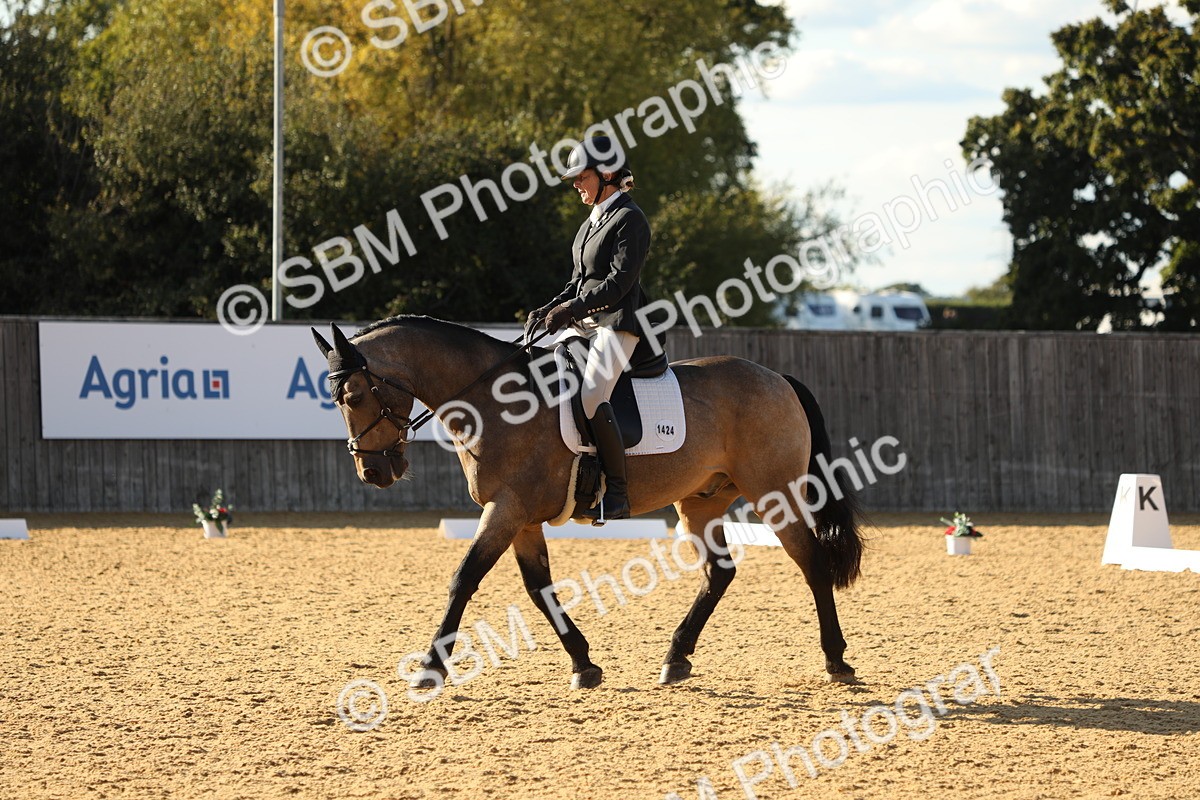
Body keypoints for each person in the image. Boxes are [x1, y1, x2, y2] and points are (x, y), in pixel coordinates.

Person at [526, 135, 655, 521]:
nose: (576, 185)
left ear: (609, 173)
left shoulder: (630, 219)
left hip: (617, 324)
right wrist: (550, 307)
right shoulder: (590, 223)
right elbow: (576, 282)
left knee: (591, 396)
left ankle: (617, 493)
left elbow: (618, 284)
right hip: (584, 324)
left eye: (581, 177)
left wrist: (572, 308)